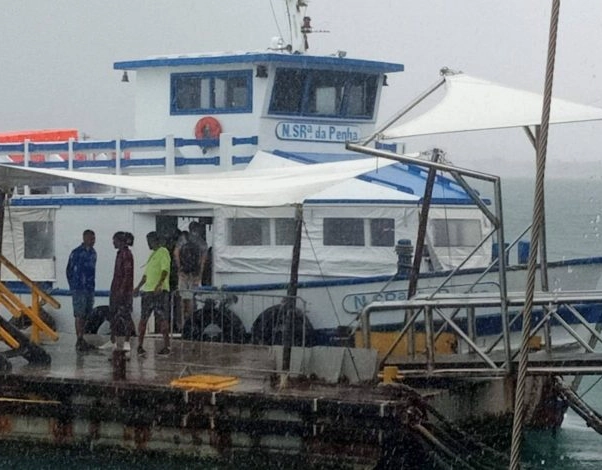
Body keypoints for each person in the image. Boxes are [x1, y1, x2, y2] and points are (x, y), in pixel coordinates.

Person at [133, 231, 171, 356]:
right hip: (147, 292)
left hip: (159, 292)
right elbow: (146, 275)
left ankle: (166, 346)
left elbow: (165, 270)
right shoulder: (152, 255)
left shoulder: (163, 252)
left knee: (162, 319)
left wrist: (160, 284)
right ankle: (140, 345)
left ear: (155, 240)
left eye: (149, 241)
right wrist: (138, 287)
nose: (148, 244)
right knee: (144, 319)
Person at [66, 229, 97, 352]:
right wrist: (73, 286)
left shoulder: (93, 253)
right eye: (91, 238)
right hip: (79, 288)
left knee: (86, 313)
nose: (93, 241)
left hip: (90, 288)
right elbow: (69, 270)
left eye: (94, 239)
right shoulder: (76, 252)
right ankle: (79, 339)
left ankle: (82, 337)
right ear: (84, 238)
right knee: (79, 314)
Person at [173, 222, 208, 329]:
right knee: (194, 298)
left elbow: (176, 253)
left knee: (183, 298)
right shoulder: (202, 242)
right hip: (195, 274)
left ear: (189, 228)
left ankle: (183, 323)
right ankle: (193, 322)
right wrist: (200, 274)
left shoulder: (183, 239)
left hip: (184, 273)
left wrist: (180, 268)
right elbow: (203, 260)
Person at [107, 231, 134, 352]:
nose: (113, 243)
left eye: (114, 240)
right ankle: (113, 340)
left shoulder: (126, 254)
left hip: (122, 291)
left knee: (125, 315)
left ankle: (127, 341)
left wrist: (122, 290)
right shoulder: (119, 254)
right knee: (114, 315)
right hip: (116, 289)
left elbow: (127, 274)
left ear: (120, 241)